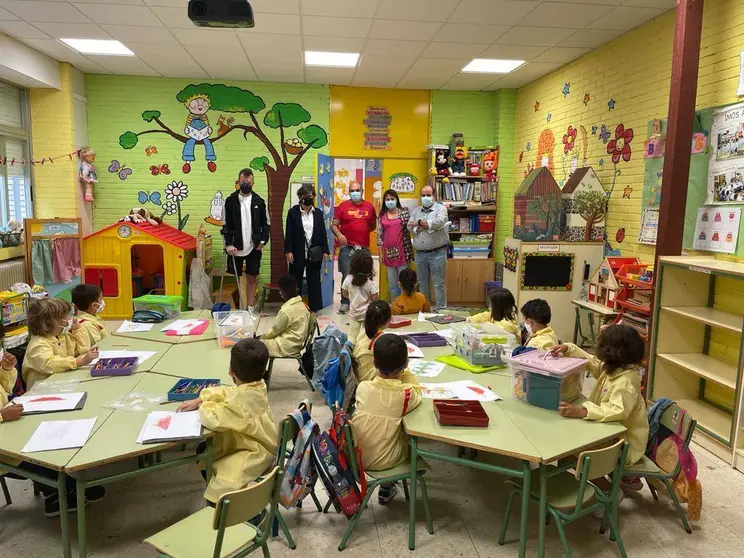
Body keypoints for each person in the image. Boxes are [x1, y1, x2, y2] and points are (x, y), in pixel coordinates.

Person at [177, 338, 278, 505]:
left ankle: (238, 513)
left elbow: (213, 418)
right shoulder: (258, 386)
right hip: (262, 442)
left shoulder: (239, 404)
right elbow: (228, 391)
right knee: (206, 451)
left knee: (221, 483)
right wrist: (200, 398)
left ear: (231, 371)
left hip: (253, 453)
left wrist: (204, 404)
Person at [353, 334, 421, 504]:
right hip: (386, 461)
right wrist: (407, 373)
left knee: (382, 430)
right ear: (406, 364)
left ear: (374, 363)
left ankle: (387, 487)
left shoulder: (362, 387)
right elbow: (418, 393)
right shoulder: (405, 395)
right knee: (400, 435)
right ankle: (386, 485)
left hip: (356, 458)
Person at [22, 298, 99, 391]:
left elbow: (83, 350)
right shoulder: (38, 344)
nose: (70, 318)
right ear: (51, 321)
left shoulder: (63, 335)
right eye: (65, 315)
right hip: (42, 389)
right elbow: (50, 364)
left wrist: (78, 330)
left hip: (62, 382)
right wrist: (78, 362)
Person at [222, 168, 270, 310]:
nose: (246, 185)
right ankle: (238, 308)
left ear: (253, 183)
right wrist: (228, 244)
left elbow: (266, 224)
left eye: (249, 183)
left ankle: (249, 307)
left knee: (252, 277)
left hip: (254, 246)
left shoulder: (259, 201)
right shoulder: (230, 201)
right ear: (238, 182)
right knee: (235, 277)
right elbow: (226, 224)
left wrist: (263, 241)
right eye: (243, 182)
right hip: (235, 246)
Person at [331, 180, 377, 313]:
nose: (355, 193)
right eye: (352, 191)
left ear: (362, 191)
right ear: (349, 192)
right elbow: (334, 225)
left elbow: (373, 225)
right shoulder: (342, 206)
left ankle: (367, 302)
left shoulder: (369, 206)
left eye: (357, 190)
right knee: (347, 275)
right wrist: (339, 234)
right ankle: (345, 302)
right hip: (347, 247)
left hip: (364, 247)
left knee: (367, 275)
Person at [284, 184, 330, 312]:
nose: (309, 199)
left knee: (314, 280)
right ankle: (293, 309)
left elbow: (322, 233)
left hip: (314, 252)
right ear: (300, 198)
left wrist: (325, 250)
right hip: (297, 251)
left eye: (311, 196)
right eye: (306, 197)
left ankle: (315, 309)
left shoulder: (319, 213)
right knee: (295, 280)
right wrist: (288, 251)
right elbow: (289, 233)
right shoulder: (293, 212)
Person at [408, 185, 449, 312]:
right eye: (423, 195)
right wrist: (427, 225)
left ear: (434, 196)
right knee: (422, 283)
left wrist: (419, 223)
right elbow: (410, 226)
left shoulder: (441, 209)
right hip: (420, 254)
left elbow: (438, 222)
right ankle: (425, 308)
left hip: (437, 253)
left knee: (438, 283)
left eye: (428, 195)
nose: (426, 197)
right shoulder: (416, 211)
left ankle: (440, 309)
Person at [260, 275, 311, 358]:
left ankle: (257, 370)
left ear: (283, 292)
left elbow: (274, 331)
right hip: (296, 344)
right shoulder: (303, 305)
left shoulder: (286, 311)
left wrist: (260, 337)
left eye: (280, 291)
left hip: (284, 347)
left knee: (253, 346)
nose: (280, 294)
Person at [376, 189, 413, 300]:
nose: (390, 201)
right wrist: (380, 254)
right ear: (384, 201)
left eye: (392, 199)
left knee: (404, 280)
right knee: (392, 282)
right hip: (388, 254)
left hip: (403, 252)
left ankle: (405, 304)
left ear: (397, 200)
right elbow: (379, 236)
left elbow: (412, 228)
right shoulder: (382, 217)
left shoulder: (405, 214)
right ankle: (395, 305)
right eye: (387, 199)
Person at [341, 248, 378, 343]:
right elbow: (375, 300)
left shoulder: (348, 279)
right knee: (365, 337)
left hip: (354, 314)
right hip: (367, 316)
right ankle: (362, 351)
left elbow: (344, 294)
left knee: (352, 336)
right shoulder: (371, 283)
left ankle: (348, 349)